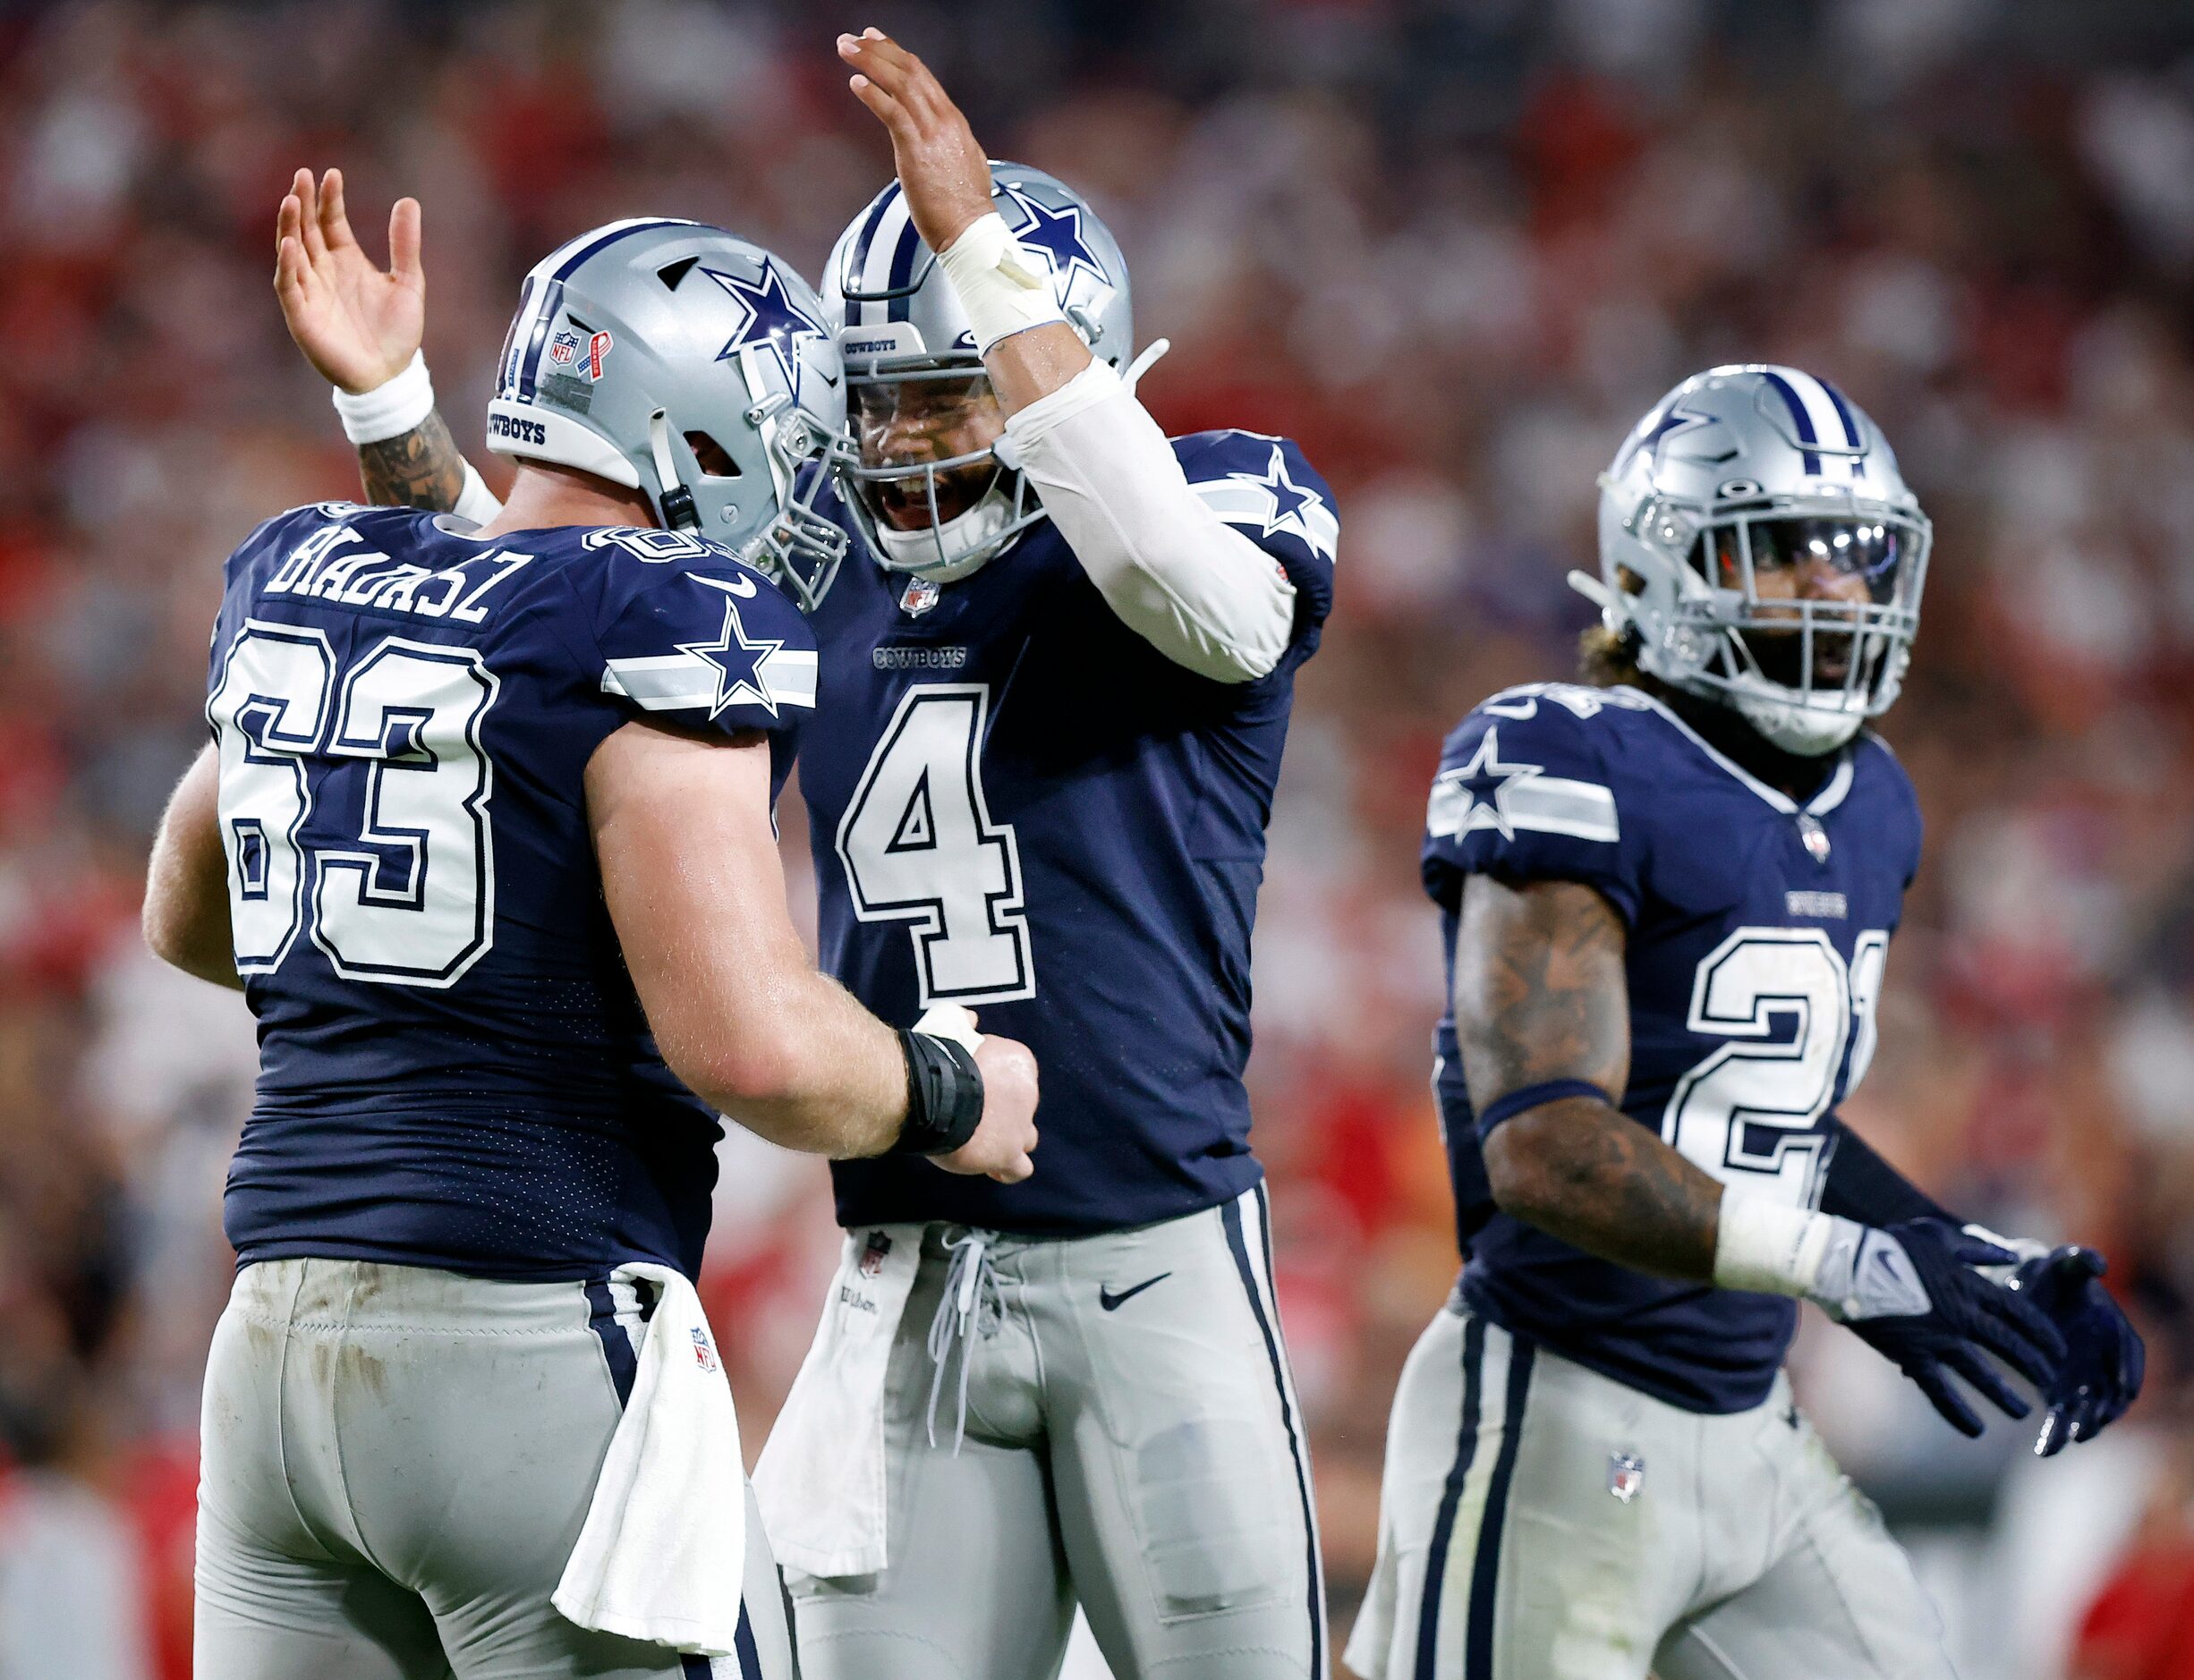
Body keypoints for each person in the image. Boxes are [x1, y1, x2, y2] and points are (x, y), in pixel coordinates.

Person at [276, 28, 1341, 1677]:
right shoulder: (807, 569)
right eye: (875, 409)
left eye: (949, 397)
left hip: (1158, 1268)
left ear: (1066, 357)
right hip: (903, 1275)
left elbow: (1186, 588)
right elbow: (522, 630)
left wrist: (980, 252)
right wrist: (395, 409)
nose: (904, 450)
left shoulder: (1205, 512)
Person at [144, 197, 1040, 1680]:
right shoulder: (669, 604)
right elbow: (746, 1040)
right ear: (700, 432)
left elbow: (194, 912)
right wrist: (947, 1085)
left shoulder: (315, 572)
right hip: (530, 1344)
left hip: (270, 1371)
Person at [1344, 364, 2146, 1680]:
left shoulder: (1874, 799)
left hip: (1752, 1425)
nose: (1835, 588)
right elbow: (1544, 1143)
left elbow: (1773, 1125)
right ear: (1666, 561)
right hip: (1561, 1409)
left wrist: (1962, 1254)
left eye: (1856, 555)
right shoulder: (1569, 755)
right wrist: (1853, 1269)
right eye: (1784, 555)